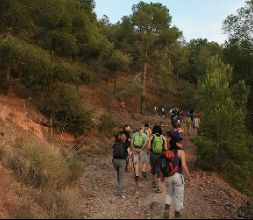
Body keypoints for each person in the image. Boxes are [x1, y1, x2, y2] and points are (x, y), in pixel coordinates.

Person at [163, 137, 191, 219]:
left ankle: (167, 209)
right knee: (179, 196)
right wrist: (188, 176)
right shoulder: (181, 152)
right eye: (180, 142)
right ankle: (177, 214)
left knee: (169, 193)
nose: (182, 143)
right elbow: (184, 166)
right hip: (178, 176)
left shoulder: (166, 152)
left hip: (167, 177)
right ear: (176, 143)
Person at [147, 125, 168, 193]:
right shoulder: (163, 137)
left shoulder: (152, 137)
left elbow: (148, 148)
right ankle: (159, 188)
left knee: (153, 168)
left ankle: (154, 182)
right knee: (159, 170)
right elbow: (166, 148)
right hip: (160, 155)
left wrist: (150, 141)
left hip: (153, 155)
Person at [112, 132, 132, 198]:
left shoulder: (115, 144)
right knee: (121, 176)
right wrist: (132, 152)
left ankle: (119, 188)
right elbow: (130, 153)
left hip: (115, 160)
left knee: (118, 174)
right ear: (125, 138)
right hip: (122, 161)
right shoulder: (126, 145)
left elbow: (114, 151)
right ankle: (120, 192)